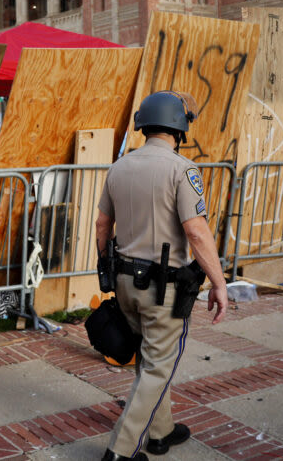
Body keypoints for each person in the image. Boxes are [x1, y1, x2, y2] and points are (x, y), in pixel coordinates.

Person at [95, 91, 228, 461]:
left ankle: (160, 431)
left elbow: (103, 223)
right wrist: (219, 283)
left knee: (150, 357)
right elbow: (197, 231)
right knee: (157, 366)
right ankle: (120, 450)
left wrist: (104, 269)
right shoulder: (182, 169)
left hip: (124, 281)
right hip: (163, 288)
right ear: (179, 127)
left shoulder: (119, 166)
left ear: (144, 124)